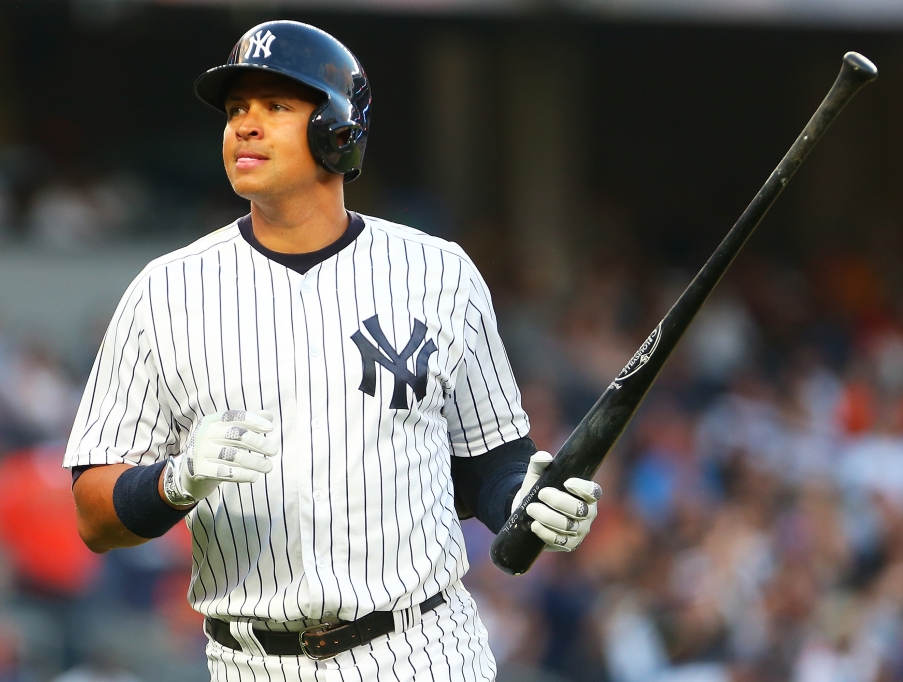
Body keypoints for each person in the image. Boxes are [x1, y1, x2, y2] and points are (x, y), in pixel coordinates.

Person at [65, 20, 603, 681]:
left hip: (421, 649)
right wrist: (173, 481)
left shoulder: (439, 272)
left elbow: (489, 459)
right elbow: (93, 514)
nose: (246, 126)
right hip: (250, 661)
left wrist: (527, 501)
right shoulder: (165, 292)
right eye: (236, 110)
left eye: (276, 107)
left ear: (338, 129)